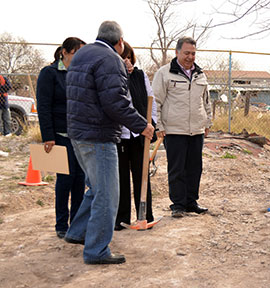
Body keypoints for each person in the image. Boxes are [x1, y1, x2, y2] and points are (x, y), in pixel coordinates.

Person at [63, 21, 154, 265]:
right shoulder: (110, 59)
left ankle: (77, 232)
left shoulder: (82, 55)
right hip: (98, 136)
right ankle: (96, 251)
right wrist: (142, 125)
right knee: (108, 195)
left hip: (78, 133)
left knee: (95, 188)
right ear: (120, 42)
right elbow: (116, 103)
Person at [152, 36, 212, 218]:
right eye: (186, 53)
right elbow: (156, 101)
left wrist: (207, 122)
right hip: (174, 130)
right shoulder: (164, 73)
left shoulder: (201, 75)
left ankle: (191, 202)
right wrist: (158, 126)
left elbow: (206, 101)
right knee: (177, 168)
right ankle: (177, 204)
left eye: (193, 53)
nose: (190, 57)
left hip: (196, 129)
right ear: (177, 52)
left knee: (195, 167)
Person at [36, 37, 86, 239]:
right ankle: (61, 224)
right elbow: (44, 106)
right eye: (76, 53)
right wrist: (48, 136)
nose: (79, 57)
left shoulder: (81, 74)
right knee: (65, 180)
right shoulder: (50, 74)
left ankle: (77, 223)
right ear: (64, 52)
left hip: (80, 136)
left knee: (80, 181)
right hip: (59, 135)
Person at [114, 41, 156, 231]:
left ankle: (145, 216)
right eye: (123, 58)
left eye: (129, 57)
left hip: (139, 134)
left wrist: (151, 124)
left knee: (142, 176)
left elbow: (150, 101)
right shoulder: (112, 77)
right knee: (121, 178)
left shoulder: (140, 76)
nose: (127, 61)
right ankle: (121, 218)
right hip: (119, 136)